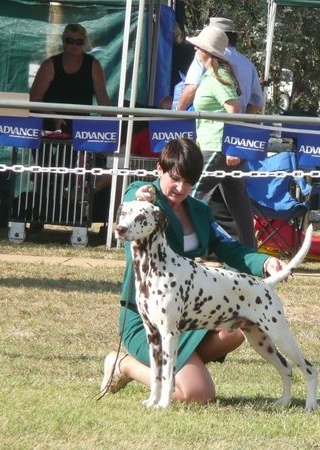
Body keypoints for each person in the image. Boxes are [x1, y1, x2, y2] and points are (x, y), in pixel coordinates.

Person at [100, 138, 288, 403]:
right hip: (146, 319)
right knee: (197, 394)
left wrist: (264, 262)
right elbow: (133, 199)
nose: (181, 188)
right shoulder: (144, 198)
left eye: (189, 182)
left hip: (187, 315)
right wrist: (143, 196)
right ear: (159, 169)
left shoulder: (199, 211)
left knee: (235, 330)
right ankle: (124, 365)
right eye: (175, 178)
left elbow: (229, 246)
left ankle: (182, 365)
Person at [181, 25, 256, 248]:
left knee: (190, 195)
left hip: (217, 147)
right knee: (237, 202)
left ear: (208, 51)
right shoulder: (213, 75)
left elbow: (234, 111)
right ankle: (249, 251)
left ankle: (187, 245)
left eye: (198, 46)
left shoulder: (218, 77)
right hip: (217, 146)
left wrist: (234, 148)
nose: (195, 49)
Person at [30, 23, 110, 133]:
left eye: (79, 42)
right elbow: (34, 100)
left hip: (81, 130)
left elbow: (103, 101)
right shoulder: (50, 65)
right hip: (50, 129)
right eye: (70, 41)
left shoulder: (93, 65)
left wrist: (110, 127)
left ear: (84, 43)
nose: (74, 45)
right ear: (63, 41)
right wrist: (54, 117)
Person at [176, 17, 264, 114]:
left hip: (213, 122)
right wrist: (242, 120)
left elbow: (192, 87)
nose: (196, 48)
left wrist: (177, 113)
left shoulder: (214, 71)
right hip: (228, 122)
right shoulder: (248, 64)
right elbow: (257, 103)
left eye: (200, 46)